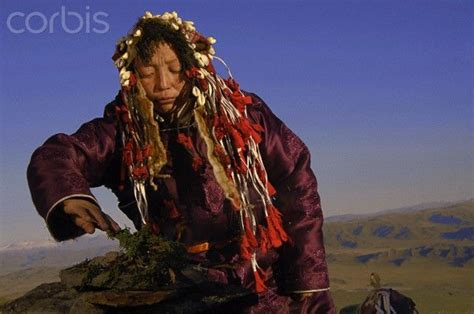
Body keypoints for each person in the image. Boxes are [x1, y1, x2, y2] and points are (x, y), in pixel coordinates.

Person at [27, 11, 336, 313]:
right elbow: (58, 154)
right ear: (132, 76)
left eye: (174, 69)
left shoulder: (243, 115)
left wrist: (305, 275)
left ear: (193, 66)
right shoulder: (122, 129)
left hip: (266, 278)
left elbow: (297, 180)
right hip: (179, 284)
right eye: (148, 72)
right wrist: (69, 196)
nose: (163, 84)